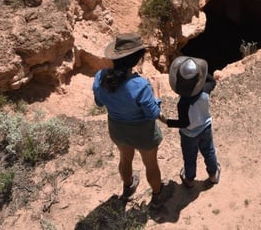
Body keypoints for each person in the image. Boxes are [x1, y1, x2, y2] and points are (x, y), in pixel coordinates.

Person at [93, 32, 171, 205]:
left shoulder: (100, 77)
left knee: (125, 159)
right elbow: (153, 114)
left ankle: (128, 187)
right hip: (142, 132)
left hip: (117, 129)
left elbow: (99, 103)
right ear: (136, 60)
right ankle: (157, 196)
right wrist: (156, 91)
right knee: (150, 164)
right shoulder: (140, 85)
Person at [160, 55, 221, 188]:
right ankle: (213, 175)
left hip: (189, 134)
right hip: (205, 127)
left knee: (189, 158)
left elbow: (184, 123)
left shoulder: (183, 103)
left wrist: (167, 121)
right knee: (209, 151)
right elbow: (212, 81)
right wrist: (201, 72)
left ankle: (190, 180)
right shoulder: (206, 90)